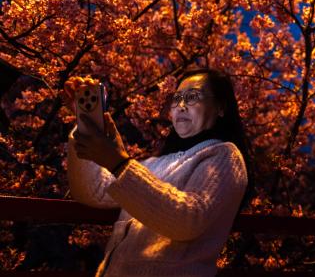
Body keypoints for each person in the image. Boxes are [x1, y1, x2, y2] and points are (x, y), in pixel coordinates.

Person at [64, 68, 250, 276]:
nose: (181, 105)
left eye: (192, 97)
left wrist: (119, 163)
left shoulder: (225, 155)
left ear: (220, 107)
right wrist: (87, 126)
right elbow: (94, 191)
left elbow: (188, 220)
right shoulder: (156, 163)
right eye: (176, 98)